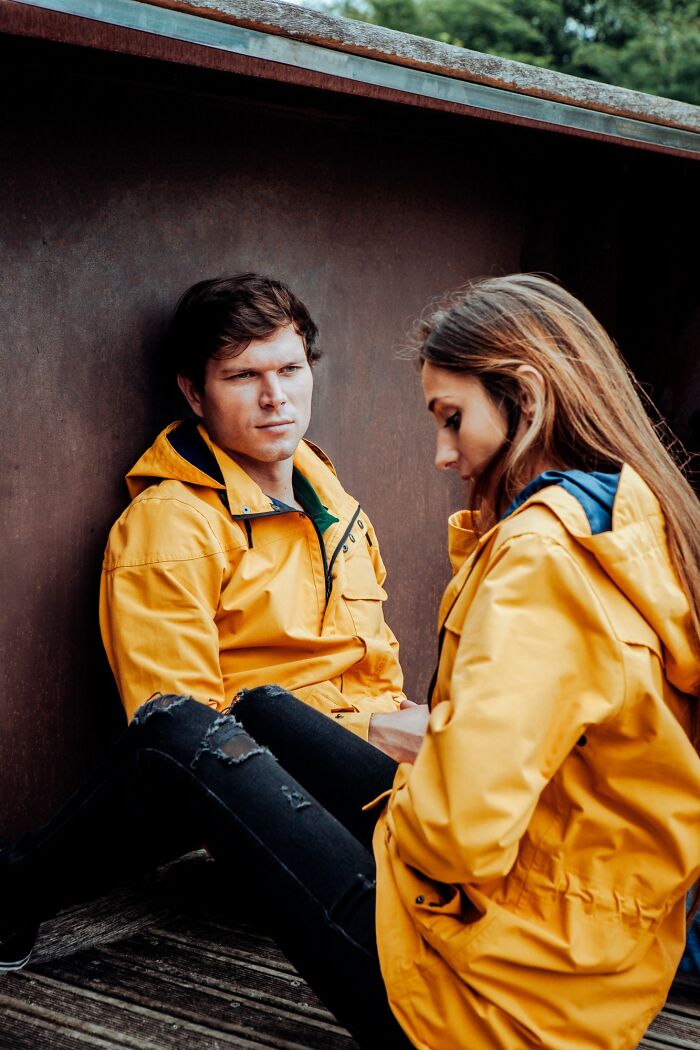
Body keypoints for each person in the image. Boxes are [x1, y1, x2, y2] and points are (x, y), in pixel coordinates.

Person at [2, 274, 699, 1050]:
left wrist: (423, 762)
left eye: (451, 419)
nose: (440, 454)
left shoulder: (530, 554)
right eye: (243, 376)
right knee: (226, 714)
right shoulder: (639, 527)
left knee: (180, 732)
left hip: (472, 995)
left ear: (526, 402)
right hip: (585, 965)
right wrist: (416, 746)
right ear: (193, 395)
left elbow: (454, 839)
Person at [99, 272, 406, 739]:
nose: (275, 398)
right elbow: (192, 744)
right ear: (194, 393)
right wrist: (379, 733)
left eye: (290, 370)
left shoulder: (338, 507)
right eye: (244, 375)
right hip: (287, 795)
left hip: (396, 776)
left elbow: (378, 673)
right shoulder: (170, 527)